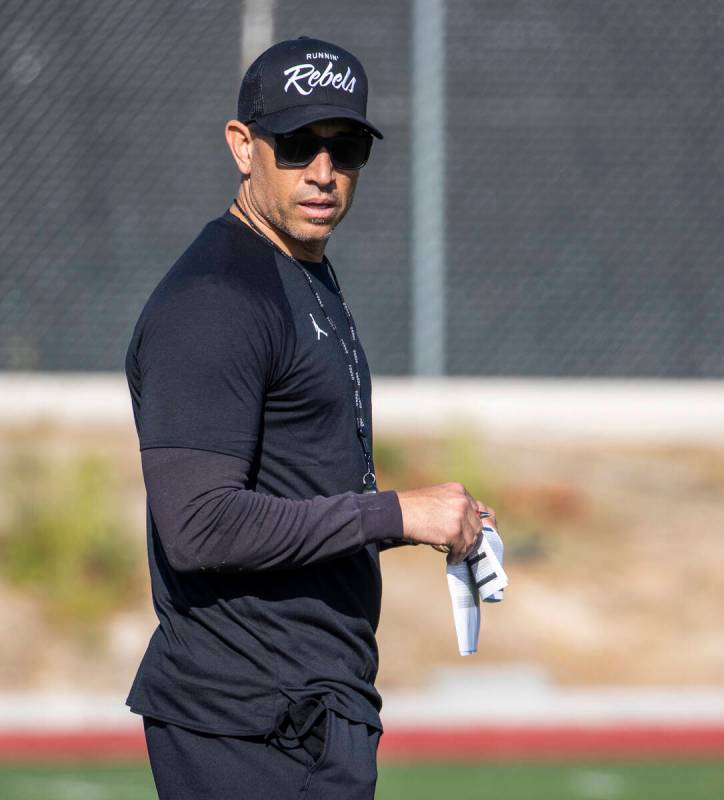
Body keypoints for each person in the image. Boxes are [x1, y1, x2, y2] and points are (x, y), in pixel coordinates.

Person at [124, 35, 496, 800]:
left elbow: (302, 481)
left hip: (313, 709)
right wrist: (392, 514)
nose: (323, 172)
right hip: (247, 720)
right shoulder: (216, 301)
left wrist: (434, 519)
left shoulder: (302, 273)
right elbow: (198, 526)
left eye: (346, 145)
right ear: (243, 146)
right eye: (296, 145)